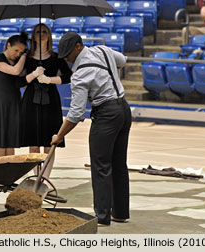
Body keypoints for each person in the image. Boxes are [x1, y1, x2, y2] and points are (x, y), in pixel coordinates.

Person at [51, 32, 132, 226]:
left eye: (69, 54)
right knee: (119, 164)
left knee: (101, 166)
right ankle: (120, 213)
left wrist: (59, 135)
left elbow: (76, 113)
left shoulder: (80, 75)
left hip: (106, 115)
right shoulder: (103, 50)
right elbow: (122, 60)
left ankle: (102, 217)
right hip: (123, 109)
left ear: (79, 47)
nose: (67, 59)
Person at [19, 24, 72, 179]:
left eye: (44, 32)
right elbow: (19, 80)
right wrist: (33, 76)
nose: (41, 34)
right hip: (31, 101)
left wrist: (50, 79)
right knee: (33, 143)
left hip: (51, 101)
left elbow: (68, 76)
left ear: (48, 35)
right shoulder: (26, 57)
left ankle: (46, 178)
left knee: (50, 142)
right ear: (33, 36)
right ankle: (36, 178)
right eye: (37, 32)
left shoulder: (56, 57)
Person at [0, 32, 37, 157]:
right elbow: (15, 71)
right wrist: (24, 56)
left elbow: (22, 82)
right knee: (0, 143)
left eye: (21, 51)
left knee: (11, 143)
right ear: (8, 45)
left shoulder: (19, 62)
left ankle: (9, 174)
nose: (17, 54)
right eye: (16, 50)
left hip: (15, 102)